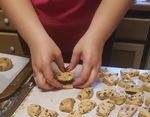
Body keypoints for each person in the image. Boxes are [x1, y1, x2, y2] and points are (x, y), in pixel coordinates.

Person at [1, 0, 132, 90]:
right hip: (30, 24)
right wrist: (36, 40)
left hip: (100, 25)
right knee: (40, 81)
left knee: (92, 82)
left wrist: (97, 36)